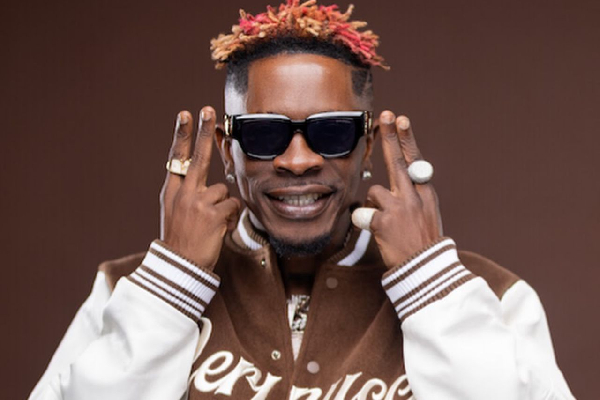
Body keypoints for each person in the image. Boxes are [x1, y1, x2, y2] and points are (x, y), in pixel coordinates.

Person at [30, 1, 575, 399]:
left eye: (331, 132)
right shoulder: (127, 289)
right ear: (227, 150)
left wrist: (429, 282)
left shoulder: (494, 295)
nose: (297, 160)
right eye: (265, 133)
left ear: (366, 146)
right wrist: (172, 283)